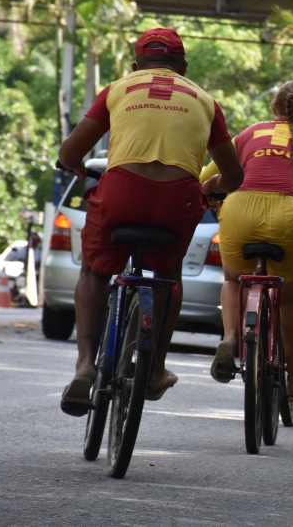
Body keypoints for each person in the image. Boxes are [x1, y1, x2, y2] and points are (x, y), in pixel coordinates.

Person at [58, 28, 244, 417]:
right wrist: (215, 188)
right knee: (168, 276)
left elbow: (70, 151)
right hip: (177, 199)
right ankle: (155, 369)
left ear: (135, 65)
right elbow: (235, 177)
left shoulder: (118, 88)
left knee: (94, 272)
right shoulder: (206, 101)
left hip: (121, 191)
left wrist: (74, 166)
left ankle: (85, 365)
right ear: (184, 67)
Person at [207, 82, 293, 403]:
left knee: (232, 278)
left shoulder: (249, 133)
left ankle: (230, 337)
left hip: (239, 211)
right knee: (289, 300)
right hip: (290, 217)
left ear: (274, 109)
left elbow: (205, 176)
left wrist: (211, 189)